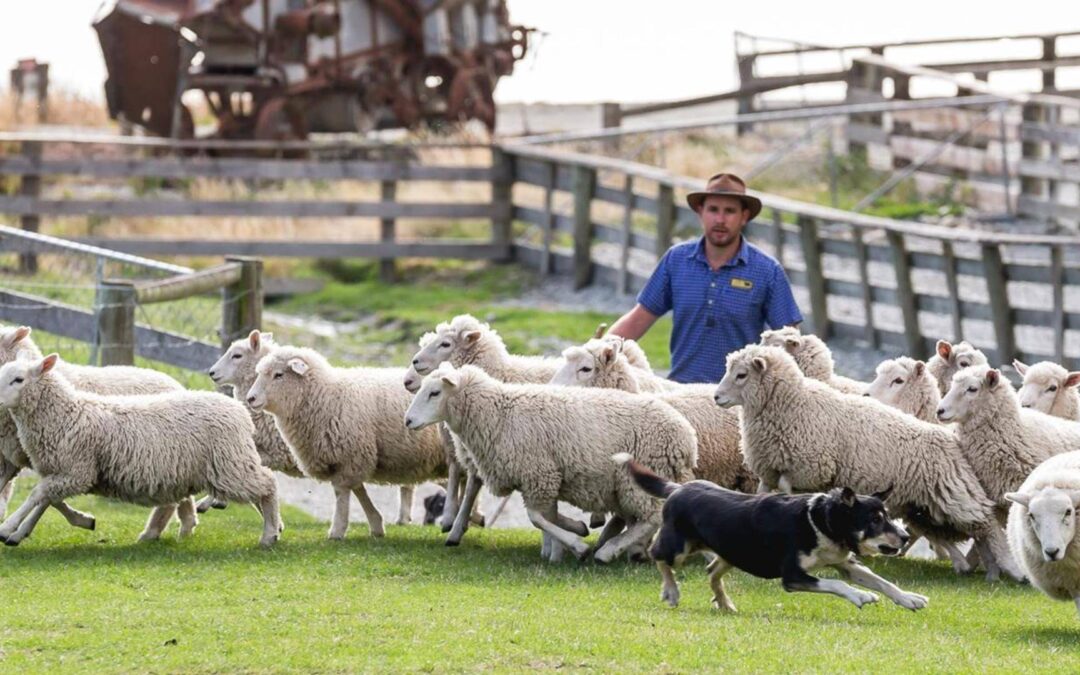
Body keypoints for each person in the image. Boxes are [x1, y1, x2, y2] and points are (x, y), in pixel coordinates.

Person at [607, 173, 802, 383]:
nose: (720, 219)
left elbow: (790, 341)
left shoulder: (767, 271)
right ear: (701, 212)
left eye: (729, 211)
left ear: (744, 216)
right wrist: (594, 353)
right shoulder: (677, 260)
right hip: (682, 393)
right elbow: (638, 319)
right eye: (713, 210)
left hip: (739, 398)